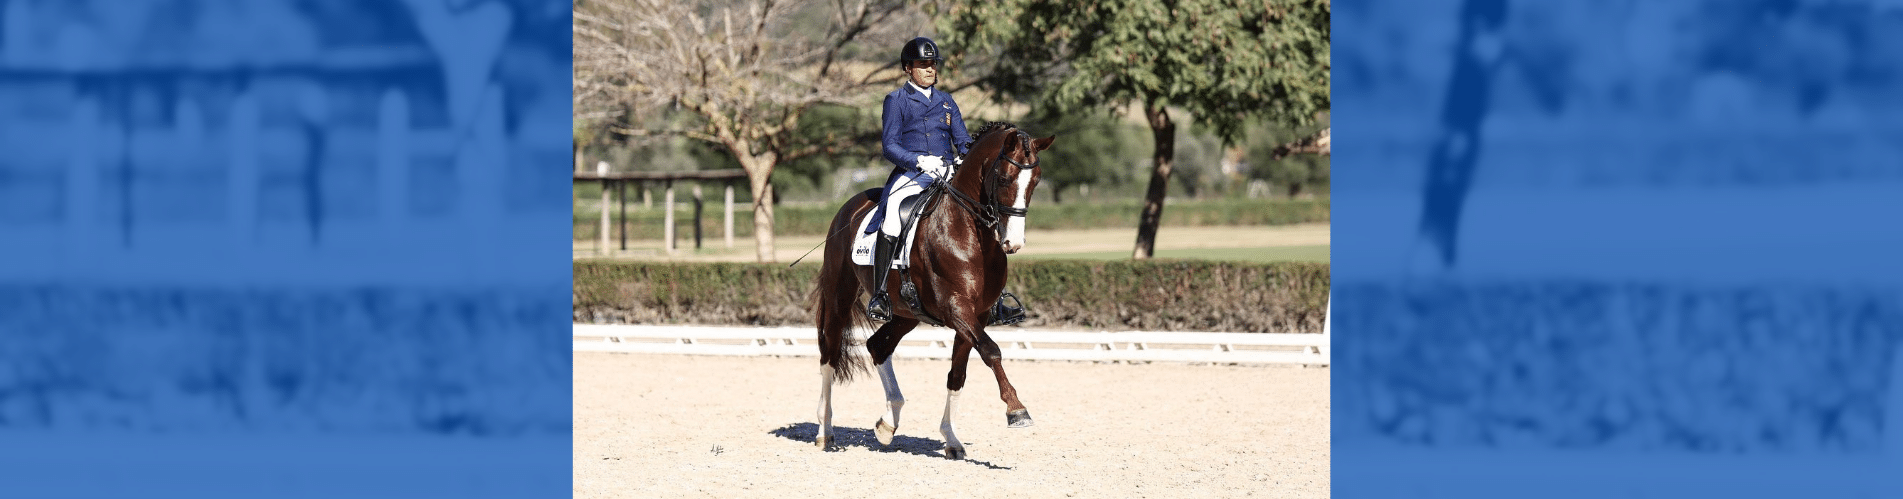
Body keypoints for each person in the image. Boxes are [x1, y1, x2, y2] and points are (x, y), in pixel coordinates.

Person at [866, 36, 971, 321]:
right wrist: (918, 160)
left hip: (947, 171)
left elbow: (962, 139)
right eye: (923, 64)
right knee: (892, 214)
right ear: (907, 68)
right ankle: (880, 295)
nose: (930, 69)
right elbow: (890, 145)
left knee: (983, 210)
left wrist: (965, 155)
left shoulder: (946, 100)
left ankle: (995, 296)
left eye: (933, 64)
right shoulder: (897, 100)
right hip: (914, 172)